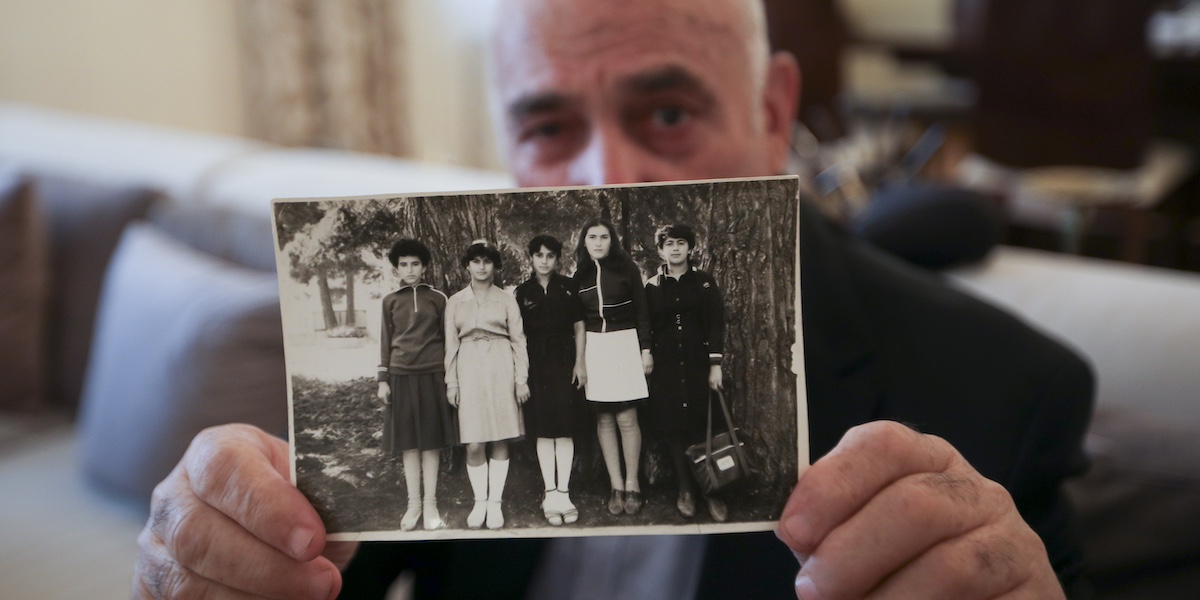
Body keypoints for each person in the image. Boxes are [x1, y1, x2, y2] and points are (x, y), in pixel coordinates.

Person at [132, 0, 1094, 598]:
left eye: (667, 114)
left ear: (769, 116)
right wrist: (231, 560)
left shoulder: (1006, 390)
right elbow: (335, 559)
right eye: (549, 125)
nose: (609, 176)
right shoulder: (509, 287)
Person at [644, 224, 729, 523]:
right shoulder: (652, 286)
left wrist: (715, 364)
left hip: (698, 365)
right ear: (661, 250)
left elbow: (716, 324)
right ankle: (685, 491)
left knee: (701, 426)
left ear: (690, 248)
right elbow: (647, 327)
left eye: (681, 243)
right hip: (666, 367)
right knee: (674, 429)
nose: (676, 248)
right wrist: (647, 355)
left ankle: (711, 491)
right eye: (669, 244)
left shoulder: (704, 283)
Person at [444, 240, 530, 530]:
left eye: (487, 261)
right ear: (467, 265)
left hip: (501, 366)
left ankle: (495, 503)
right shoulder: (455, 301)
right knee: (474, 441)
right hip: (468, 367)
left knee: (500, 436)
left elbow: (518, 340)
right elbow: (450, 345)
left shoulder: (506, 299)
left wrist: (521, 380)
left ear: (495, 266)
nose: (481, 267)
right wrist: (452, 383)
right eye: (476, 261)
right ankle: (479, 501)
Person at [572, 219, 653, 516]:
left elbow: (643, 310)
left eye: (604, 237)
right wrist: (580, 360)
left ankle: (633, 484)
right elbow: (577, 323)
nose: (598, 242)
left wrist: (646, 349)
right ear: (584, 242)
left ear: (612, 241)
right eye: (592, 237)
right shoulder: (578, 275)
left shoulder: (627, 269)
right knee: (604, 419)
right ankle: (615, 486)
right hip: (595, 347)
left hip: (625, 343)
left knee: (627, 418)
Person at [376, 239, 457, 532]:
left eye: (415, 264)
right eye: (404, 265)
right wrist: (383, 380)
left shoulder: (438, 298)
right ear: (397, 268)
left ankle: (431, 504)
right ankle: (413, 504)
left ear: (424, 267)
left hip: (432, 375)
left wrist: (450, 378)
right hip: (400, 376)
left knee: (431, 442)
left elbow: (449, 341)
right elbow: (385, 343)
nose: (410, 270)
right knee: (409, 443)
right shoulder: (390, 301)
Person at [513, 234, 587, 526]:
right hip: (536, 365)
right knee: (544, 429)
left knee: (565, 428)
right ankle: (550, 492)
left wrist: (580, 363)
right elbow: (517, 337)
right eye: (539, 255)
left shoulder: (569, 288)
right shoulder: (522, 292)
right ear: (530, 258)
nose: (544, 261)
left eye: (550, 256)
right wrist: (521, 375)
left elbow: (579, 327)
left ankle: (565, 492)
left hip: (565, 361)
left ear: (558, 259)